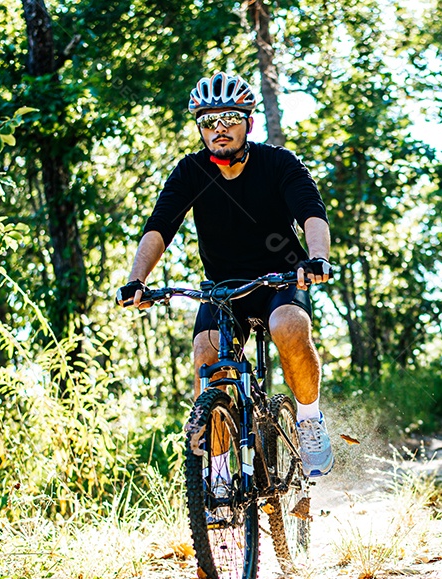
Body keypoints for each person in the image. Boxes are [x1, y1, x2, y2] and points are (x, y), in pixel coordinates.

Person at [117, 70, 334, 478]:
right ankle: (216, 475)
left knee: (288, 326)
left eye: (230, 119)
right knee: (206, 355)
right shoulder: (191, 173)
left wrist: (316, 258)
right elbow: (160, 226)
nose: (219, 129)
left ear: (248, 124)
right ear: (200, 129)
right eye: (209, 122)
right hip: (222, 291)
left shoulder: (277, 163)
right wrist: (137, 280)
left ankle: (308, 419)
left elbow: (311, 212)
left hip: (281, 281)